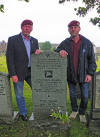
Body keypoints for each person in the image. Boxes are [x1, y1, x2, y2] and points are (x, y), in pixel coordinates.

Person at [55, 20, 96, 123]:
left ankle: (82, 112)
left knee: (85, 96)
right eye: (71, 28)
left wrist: (90, 73)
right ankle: (74, 110)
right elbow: (56, 51)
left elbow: (92, 61)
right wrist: (60, 51)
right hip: (71, 74)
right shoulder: (65, 42)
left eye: (75, 27)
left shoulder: (87, 43)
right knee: (72, 95)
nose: (73, 29)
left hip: (84, 75)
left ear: (79, 28)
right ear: (68, 30)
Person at [6, 19, 41, 121]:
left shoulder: (34, 40)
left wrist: (37, 52)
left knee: (38, 91)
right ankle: (23, 113)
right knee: (19, 95)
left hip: (31, 72)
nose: (27, 28)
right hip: (18, 72)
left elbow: (34, 55)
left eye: (29, 26)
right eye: (25, 26)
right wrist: (13, 74)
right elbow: (9, 58)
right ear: (21, 27)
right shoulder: (12, 39)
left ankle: (39, 110)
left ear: (32, 28)